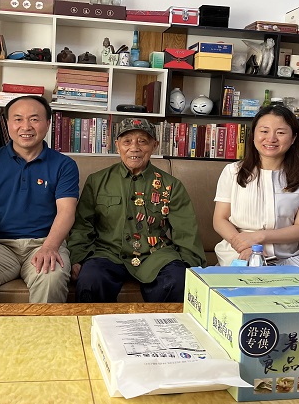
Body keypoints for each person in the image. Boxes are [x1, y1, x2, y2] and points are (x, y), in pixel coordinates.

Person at [0, 96, 78, 303]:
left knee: (52, 277)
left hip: (43, 242)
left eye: (34, 119)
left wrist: (50, 247)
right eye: (18, 119)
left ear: (48, 123)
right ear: (7, 123)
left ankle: (44, 328)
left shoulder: (64, 165)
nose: (26, 126)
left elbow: (66, 211)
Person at [68, 118, 205, 302]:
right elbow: (82, 225)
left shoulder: (171, 185)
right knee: (90, 280)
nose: (134, 148)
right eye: (127, 141)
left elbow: (186, 231)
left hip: (156, 255)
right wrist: (77, 258)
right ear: (117, 145)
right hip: (108, 253)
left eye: (142, 141)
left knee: (178, 280)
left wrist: (191, 266)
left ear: (154, 146)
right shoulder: (97, 181)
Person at [213, 105, 299, 266]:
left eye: (280, 132)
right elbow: (220, 219)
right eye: (264, 131)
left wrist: (259, 237)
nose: (271, 138)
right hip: (239, 253)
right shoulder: (233, 171)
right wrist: (245, 247)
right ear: (253, 135)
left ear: (293, 138)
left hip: (288, 257)